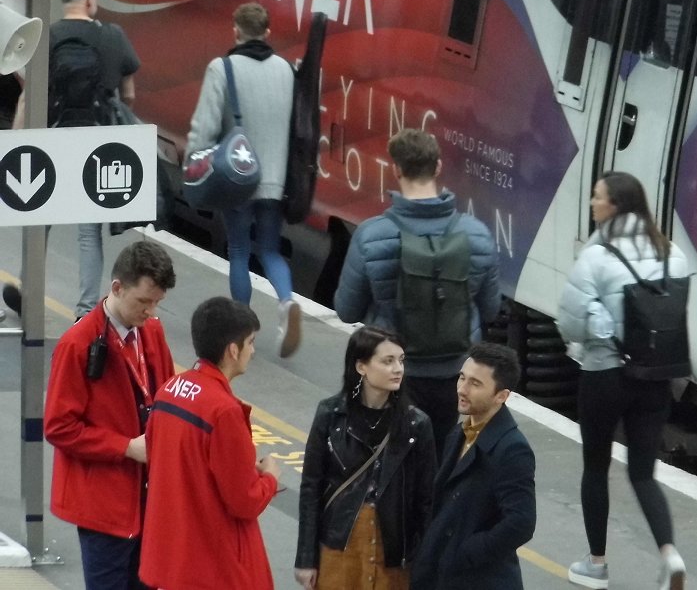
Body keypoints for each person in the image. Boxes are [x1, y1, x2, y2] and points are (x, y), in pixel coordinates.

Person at [557, 172, 691, 590]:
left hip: (605, 375)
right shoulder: (674, 254)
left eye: (597, 198)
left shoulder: (596, 258)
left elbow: (570, 324)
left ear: (614, 207)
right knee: (643, 473)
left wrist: (602, 327)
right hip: (655, 377)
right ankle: (669, 553)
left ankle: (596, 565)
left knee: (595, 467)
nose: (592, 203)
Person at [334, 128, 500, 455]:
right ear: (438, 167)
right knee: (436, 461)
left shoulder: (372, 235)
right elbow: (491, 309)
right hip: (456, 374)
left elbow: (347, 310)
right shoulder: (477, 235)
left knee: (388, 460)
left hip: (392, 373)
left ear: (395, 170)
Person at [44, 239, 176, 590]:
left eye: (157, 303)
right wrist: (125, 447)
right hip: (104, 508)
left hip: (148, 500)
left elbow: (166, 397)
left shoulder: (152, 332)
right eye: (143, 302)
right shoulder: (77, 345)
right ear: (116, 288)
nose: (149, 312)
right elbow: (59, 427)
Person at [15, 0, 140, 318]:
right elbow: (128, 95)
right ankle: (86, 310)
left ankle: (26, 289)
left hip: (54, 138)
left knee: (41, 219)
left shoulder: (48, 37)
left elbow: (28, 97)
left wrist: (16, 143)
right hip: (97, 144)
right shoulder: (113, 37)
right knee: (89, 233)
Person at [140, 297, 280, 590]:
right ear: (233, 349)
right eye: (250, 342)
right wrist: (269, 477)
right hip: (213, 568)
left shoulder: (169, 390)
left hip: (169, 559)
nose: (252, 351)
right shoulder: (224, 411)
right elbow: (245, 501)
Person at [187, 1, 302, 357]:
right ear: (268, 34)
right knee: (269, 248)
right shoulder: (286, 70)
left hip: (237, 176)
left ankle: (244, 328)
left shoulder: (223, 68)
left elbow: (204, 126)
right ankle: (286, 302)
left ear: (235, 31)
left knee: (238, 249)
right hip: (275, 179)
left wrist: (194, 158)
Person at [294, 326, 437, 590]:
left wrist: (425, 563)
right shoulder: (330, 414)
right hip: (340, 544)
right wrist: (306, 558)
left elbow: (425, 501)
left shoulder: (417, 424)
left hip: (394, 549)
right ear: (361, 366)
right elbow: (311, 488)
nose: (398, 369)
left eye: (401, 360)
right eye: (387, 361)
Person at [411, 341, 536, 590]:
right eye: (462, 378)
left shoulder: (512, 449)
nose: (462, 389)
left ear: (502, 396)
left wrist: (467, 551)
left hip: (479, 578)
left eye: (475, 384)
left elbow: (521, 523)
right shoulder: (459, 433)